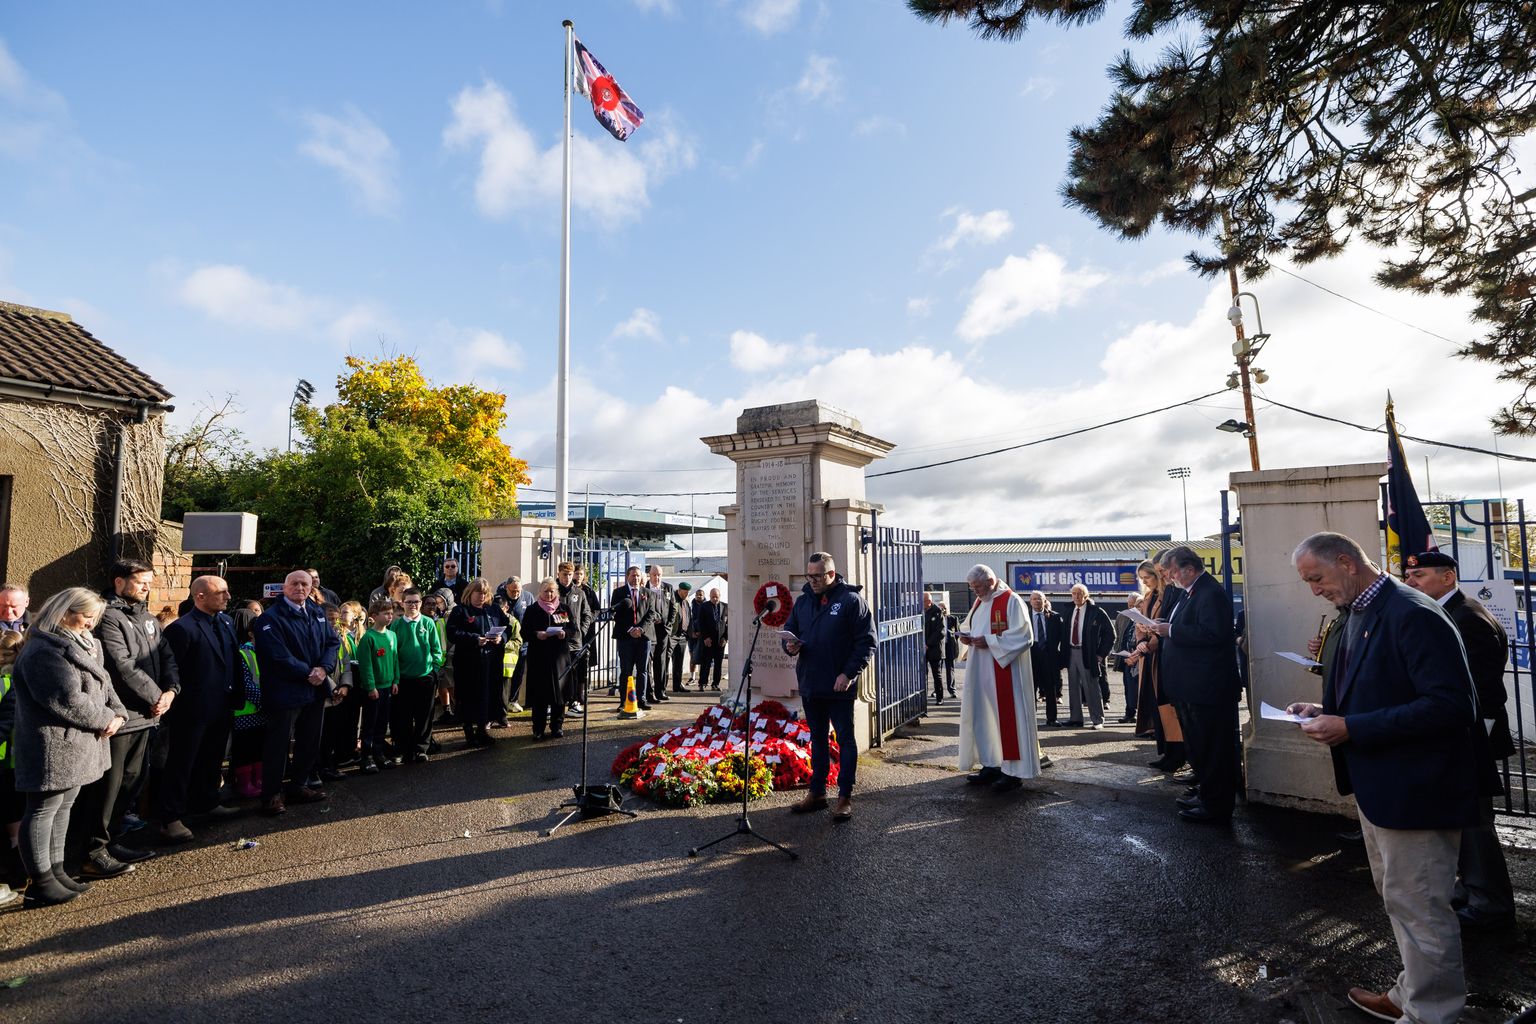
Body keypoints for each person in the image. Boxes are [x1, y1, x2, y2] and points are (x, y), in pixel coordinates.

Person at [1287, 531, 1489, 1024]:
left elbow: (1449, 706)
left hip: (1417, 790)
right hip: (1383, 788)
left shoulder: (1411, 612)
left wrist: (1350, 726)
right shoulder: (1363, 610)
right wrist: (1324, 710)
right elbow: (1380, 689)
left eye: (1316, 578)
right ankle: (1413, 993)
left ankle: (1430, 1014)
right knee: (1402, 900)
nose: (1314, 590)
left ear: (1346, 562)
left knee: (1421, 908)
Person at [1402, 550, 1516, 931]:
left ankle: (1490, 903)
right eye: (1408, 576)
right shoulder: (1445, 614)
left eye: (1419, 576)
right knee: (1459, 816)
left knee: (1475, 821)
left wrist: (1469, 737)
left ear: (1448, 578)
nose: (1411, 582)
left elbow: (1482, 688)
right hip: (1457, 732)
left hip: (1471, 734)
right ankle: (1470, 888)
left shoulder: (1469, 618)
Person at [9, 587, 125, 907]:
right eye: (87, 617)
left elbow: (105, 686)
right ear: (63, 613)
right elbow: (66, 700)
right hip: (52, 744)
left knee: (63, 807)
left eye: (94, 618)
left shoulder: (85, 644)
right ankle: (41, 882)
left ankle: (57, 871)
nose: (91, 624)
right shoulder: (43, 650)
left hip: (77, 743)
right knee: (44, 809)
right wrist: (106, 719)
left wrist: (118, 714)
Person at [72, 558, 177, 878]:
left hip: (148, 715)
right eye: (141, 581)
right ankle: (91, 852)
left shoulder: (147, 618)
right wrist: (155, 696)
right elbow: (120, 665)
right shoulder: (108, 617)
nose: (147, 587)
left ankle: (112, 840)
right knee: (108, 787)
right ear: (119, 582)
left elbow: (166, 655)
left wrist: (171, 689)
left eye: (149, 581)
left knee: (132, 783)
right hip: (121, 716)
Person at [782, 552, 877, 823]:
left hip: (838, 685)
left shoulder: (851, 601)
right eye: (808, 576)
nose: (811, 581)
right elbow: (791, 630)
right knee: (817, 739)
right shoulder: (802, 603)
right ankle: (817, 793)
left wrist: (848, 673)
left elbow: (867, 643)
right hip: (811, 682)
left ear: (831, 575)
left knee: (845, 740)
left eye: (817, 576)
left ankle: (845, 796)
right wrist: (789, 645)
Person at [1150, 545, 1241, 825]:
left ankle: (1216, 806)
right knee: (1201, 748)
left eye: (1173, 572)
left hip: (1208, 689)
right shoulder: (1192, 592)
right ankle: (1206, 796)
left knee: (1214, 751)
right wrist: (1167, 624)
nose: (1169, 578)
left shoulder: (1209, 593)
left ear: (1189, 569)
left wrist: (1171, 630)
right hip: (1193, 687)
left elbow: (1214, 633)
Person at [158, 575, 242, 844]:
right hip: (192, 711)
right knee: (182, 763)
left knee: (212, 758)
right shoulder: (182, 629)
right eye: (221, 592)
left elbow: (233, 661)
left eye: (227, 592)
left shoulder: (227, 623)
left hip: (222, 706)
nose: (228, 597)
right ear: (200, 596)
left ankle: (206, 802)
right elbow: (171, 671)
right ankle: (170, 818)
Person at [254, 570, 342, 816]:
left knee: (309, 740)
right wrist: (309, 672)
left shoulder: (317, 613)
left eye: (305, 583)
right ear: (284, 587)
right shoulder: (270, 618)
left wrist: (324, 669)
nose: (300, 587)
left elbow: (332, 643)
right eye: (294, 583)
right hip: (285, 691)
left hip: (314, 689)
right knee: (278, 745)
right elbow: (278, 656)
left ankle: (298, 786)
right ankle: (271, 795)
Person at [957, 565, 1039, 792]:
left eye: (977, 587)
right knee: (984, 718)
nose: (975, 591)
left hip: (1005, 672)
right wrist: (966, 637)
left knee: (1007, 719)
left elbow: (1025, 636)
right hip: (980, 672)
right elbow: (970, 625)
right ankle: (991, 764)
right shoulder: (980, 601)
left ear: (990, 582)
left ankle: (1013, 773)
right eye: (972, 587)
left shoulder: (1011, 601)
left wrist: (991, 642)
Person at [446, 579, 508, 747]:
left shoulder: (493, 609)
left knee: (487, 695)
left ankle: (482, 730)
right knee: (468, 696)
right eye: (478, 593)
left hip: (490, 661)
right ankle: (469, 732)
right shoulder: (461, 611)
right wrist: (475, 639)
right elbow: (452, 633)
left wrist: (499, 638)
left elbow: (507, 628)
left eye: (485, 593)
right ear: (470, 593)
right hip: (468, 663)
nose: (482, 596)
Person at [391, 588, 445, 763]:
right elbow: (393, 653)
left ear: (420, 604)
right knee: (403, 716)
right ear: (402, 603)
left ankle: (422, 748)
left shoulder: (428, 623)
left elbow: (437, 649)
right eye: (409, 602)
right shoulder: (396, 625)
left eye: (416, 602)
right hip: (403, 678)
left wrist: (435, 669)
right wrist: (395, 677)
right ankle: (403, 749)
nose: (413, 605)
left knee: (424, 715)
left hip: (425, 676)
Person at [521, 577, 573, 740]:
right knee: (540, 695)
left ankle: (557, 726)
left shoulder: (563, 608)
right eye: (546, 591)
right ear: (540, 592)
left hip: (560, 658)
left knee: (559, 694)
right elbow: (524, 632)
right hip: (539, 657)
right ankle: (538, 729)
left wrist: (565, 633)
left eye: (552, 591)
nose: (549, 594)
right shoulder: (532, 610)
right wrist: (537, 634)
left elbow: (573, 629)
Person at [354, 599, 400, 773]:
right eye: (385, 613)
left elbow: (395, 659)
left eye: (391, 613)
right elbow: (365, 666)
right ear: (373, 617)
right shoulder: (368, 638)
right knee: (370, 723)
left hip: (388, 686)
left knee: (382, 722)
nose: (389, 616)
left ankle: (379, 753)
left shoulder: (392, 635)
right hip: (374, 688)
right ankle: (366, 757)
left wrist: (396, 680)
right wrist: (370, 686)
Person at [1058, 583, 1112, 729]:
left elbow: (1110, 634)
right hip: (1071, 652)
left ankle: (1097, 720)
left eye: (1079, 593)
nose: (1076, 596)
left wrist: (1101, 654)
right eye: (1074, 593)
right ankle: (1075, 718)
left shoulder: (1096, 611)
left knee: (1091, 686)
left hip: (1087, 654)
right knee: (1073, 687)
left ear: (1086, 596)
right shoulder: (1069, 611)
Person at [319, 602, 363, 778]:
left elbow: (345, 662)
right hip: (323, 694)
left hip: (338, 693)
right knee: (320, 735)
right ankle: (319, 768)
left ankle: (329, 766)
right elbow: (317, 666)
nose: (333, 623)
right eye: (329, 619)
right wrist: (333, 688)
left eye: (336, 620)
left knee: (332, 732)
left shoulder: (337, 638)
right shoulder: (316, 638)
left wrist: (345, 685)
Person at [0, 631, 26, 907]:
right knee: (15, 816)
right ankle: (19, 870)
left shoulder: (4, 683)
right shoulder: (14, 683)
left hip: (7, 760)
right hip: (13, 760)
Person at [228, 610, 265, 799]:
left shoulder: (268, 653)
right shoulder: (243, 653)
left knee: (259, 748)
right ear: (251, 633)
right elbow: (246, 685)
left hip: (262, 713)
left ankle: (258, 780)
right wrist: (264, 702)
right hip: (245, 713)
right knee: (244, 750)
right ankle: (244, 784)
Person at [611, 566, 656, 709]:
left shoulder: (648, 593)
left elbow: (651, 613)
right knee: (626, 671)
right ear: (627, 577)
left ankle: (641, 700)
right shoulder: (618, 593)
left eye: (638, 576)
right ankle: (624, 701)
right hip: (625, 637)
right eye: (633, 576)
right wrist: (630, 629)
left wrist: (640, 629)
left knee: (643, 670)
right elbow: (616, 614)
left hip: (643, 637)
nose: (635, 578)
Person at [556, 563, 592, 703]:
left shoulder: (579, 592)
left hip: (575, 640)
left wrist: (581, 631)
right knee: (559, 672)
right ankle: (558, 701)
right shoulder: (553, 591)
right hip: (558, 639)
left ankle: (574, 701)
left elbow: (587, 614)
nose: (568, 577)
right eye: (564, 574)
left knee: (576, 672)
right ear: (558, 574)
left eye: (570, 574)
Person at [1026, 591, 1064, 724]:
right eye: (1034, 599)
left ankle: (1052, 719)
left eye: (1039, 599)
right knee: (1031, 689)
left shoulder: (1054, 617)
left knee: (1050, 689)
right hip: (1031, 656)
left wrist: (1061, 658)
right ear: (1030, 601)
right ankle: (1030, 720)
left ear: (1044, 600)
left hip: (1049, 656)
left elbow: (1062, 638)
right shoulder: (1024, 617)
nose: (1037, 601)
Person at [646, 565, 675, 704]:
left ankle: (660, 691)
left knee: (661, 661)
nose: (656, 578)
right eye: (654, 575)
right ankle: (648, 693)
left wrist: (668, 625)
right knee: (647, 661)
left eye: (659, 575)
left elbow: (673, 609)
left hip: (663, 630)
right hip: (649, 630)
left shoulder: (668, 588)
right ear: (649, 575)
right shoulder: (644, 588)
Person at [1114, 593, 1141, 724]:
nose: (1131, 609)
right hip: (1125, 659)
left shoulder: (1143, 618)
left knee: (1139, 689)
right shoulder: (1122, 616)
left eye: (1133, 606)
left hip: (1139, 659)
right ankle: (1129, 714)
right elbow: (1118, 636)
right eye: (1129, 605)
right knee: (1128, 687)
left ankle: (1140, 716)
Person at [695, 588, 728, 692]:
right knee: (706, 663)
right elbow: (700, 623)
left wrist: (725, 638)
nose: (715, 599)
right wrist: (705, 637)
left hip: (720, 641)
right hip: (708, 640)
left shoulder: (725, 607)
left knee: (718, 664)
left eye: (716, 597)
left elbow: (728, 624)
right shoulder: (704, 606)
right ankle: (702, 683)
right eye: (713, 597)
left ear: (720, 596)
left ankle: (715, 684)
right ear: (709, 596)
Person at [667, 582, 693, 693]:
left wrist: (690, 633)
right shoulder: (673, 599)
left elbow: (689, 617)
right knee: (666, 661)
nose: (686, 594)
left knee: (679, 663)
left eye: (688, 592)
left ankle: (677, 685)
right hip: (672, 635)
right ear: (679, 590)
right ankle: (662, 687)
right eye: (685, 592)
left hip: (683, 636)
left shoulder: (686, 603)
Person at [923, 593, 946, 704]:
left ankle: (939, 698)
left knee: (936, 674)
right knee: (923, 674)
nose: (921, 604)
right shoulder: (920, 612)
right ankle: (923, 697)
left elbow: (940, 632)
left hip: (934, 648)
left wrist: (928, 644)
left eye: (923, 601)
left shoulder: (937, 612)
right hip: (922, 648)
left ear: (929, 601)